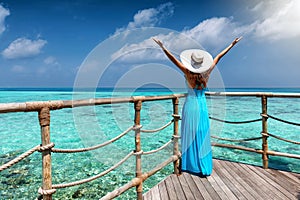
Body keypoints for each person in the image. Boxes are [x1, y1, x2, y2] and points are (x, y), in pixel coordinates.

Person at [153, 37, 242, 176]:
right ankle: (202, 165)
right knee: (202, 133)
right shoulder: (207, 72)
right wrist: (232, 44)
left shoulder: (187, 72)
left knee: (189, 133)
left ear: (191, 62)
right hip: (202, 105)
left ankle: (190, 164)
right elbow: (219, 56)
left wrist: (163, 47)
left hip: (190, 105)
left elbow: (173, 60)